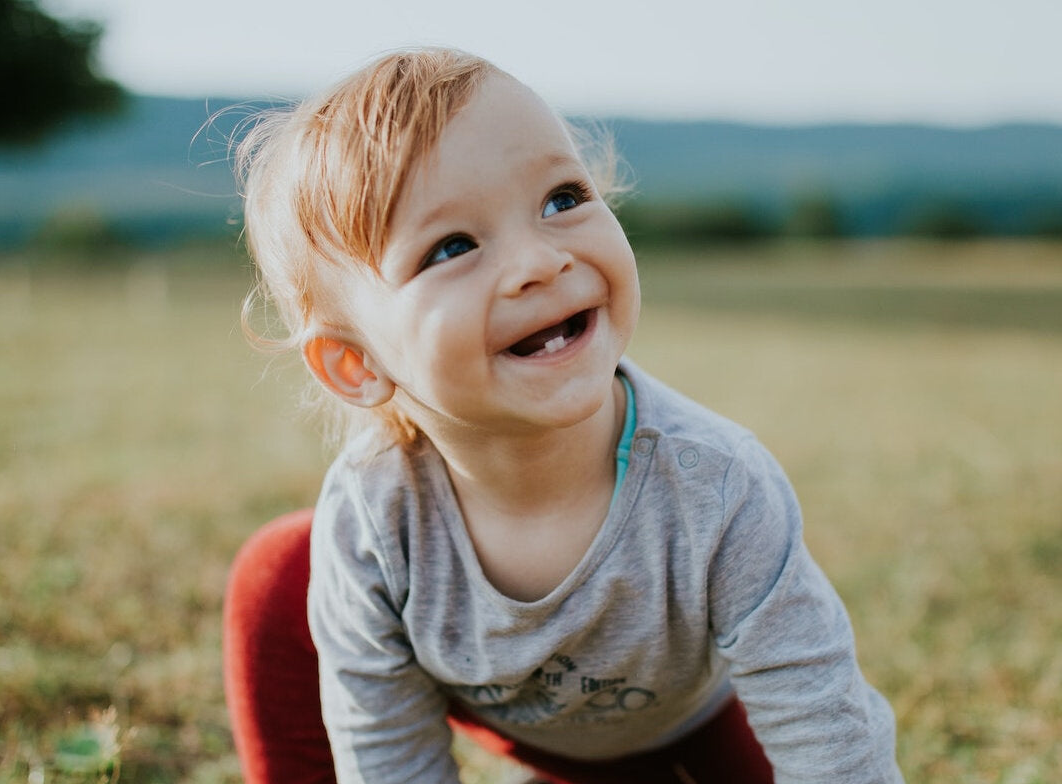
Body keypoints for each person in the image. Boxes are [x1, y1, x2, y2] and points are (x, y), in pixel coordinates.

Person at [223, 47, 903, 784]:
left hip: (692, 724)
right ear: (356, 364)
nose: (539, 262)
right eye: (452, 246)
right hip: (511, 727)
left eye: (562, 199)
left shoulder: (720, 488)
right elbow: (386, 753)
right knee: (281, 567)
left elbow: (826, 731)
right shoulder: (377, 513)